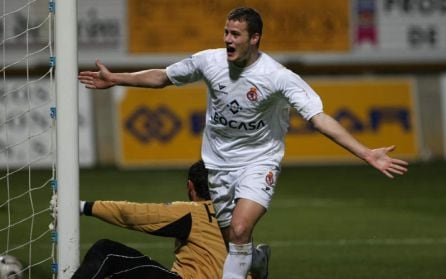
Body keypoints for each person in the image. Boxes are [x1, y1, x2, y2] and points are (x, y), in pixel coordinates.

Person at [78, 7, 409, 279]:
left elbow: (319, 118)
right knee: (233, 243)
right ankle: (254, 263)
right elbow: (163, 76)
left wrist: (365, 152)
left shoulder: (277, 77)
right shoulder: (209, 62)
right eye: (225, 33)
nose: (227, 40)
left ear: (254, 38)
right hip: (218, 165)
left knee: (239, 229)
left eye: (235, 35)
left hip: (258, 162)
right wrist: (116, 78)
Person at [71, 160, 227, 279]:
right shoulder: (236, 214)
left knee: (105, 251)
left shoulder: (193, 213)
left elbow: (132, 215)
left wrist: (83, 207)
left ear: (190, 186)